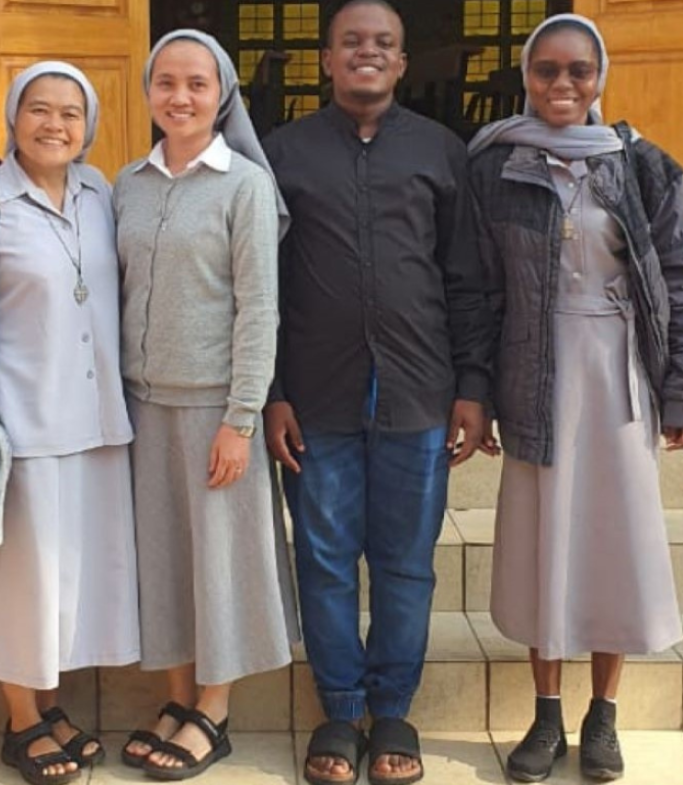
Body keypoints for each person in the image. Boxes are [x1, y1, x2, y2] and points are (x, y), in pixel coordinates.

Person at [262, 2, 492, 783]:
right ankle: (339, 708)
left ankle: (393, 707)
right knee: (324, 558)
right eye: (352, 41)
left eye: (383, 43)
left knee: (406, 562)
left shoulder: (441, 151)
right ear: (327, 59)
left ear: (401, 63)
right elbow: (263, 286)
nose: (368, 52)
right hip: (313, 397)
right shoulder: (283, 153)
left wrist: (473, 385)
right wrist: (272, 390)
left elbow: (466, 278)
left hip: (418, 391)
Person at [468, 13, 683, 783]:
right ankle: (546, 713)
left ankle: (604, 715)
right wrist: (477, 390)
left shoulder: (642, 164)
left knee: (612, 544)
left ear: (600, 78)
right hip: (534, 375)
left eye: (578, 70)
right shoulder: (495, 165)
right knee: (541, 547)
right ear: (526, 76)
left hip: (618, 377)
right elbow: (479, 288)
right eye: (547, 69)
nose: (563, 84)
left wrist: (677, 389)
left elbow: (677, 278)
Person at [0, 61, 139, 785]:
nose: (54, 124)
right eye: (39, 109)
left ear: (88, 125)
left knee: (71, 580)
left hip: (101, 421)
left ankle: (47, 703)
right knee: (23, 583)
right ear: (13, 117)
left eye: (71, 112)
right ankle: (19, 722)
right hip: (23, 423)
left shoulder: (101, 193)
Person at [114, 28, 298, 782]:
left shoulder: (243, 185)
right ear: (148, 91)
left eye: (197, 83)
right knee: (162, 560)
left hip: (214, 410)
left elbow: (260, 309)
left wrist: (240, 417)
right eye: (166, 82)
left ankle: (213, 711)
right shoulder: (127, 182)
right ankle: (177, 696)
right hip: (142, 405)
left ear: (221, 95)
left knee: (218, 565)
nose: (180, 97)